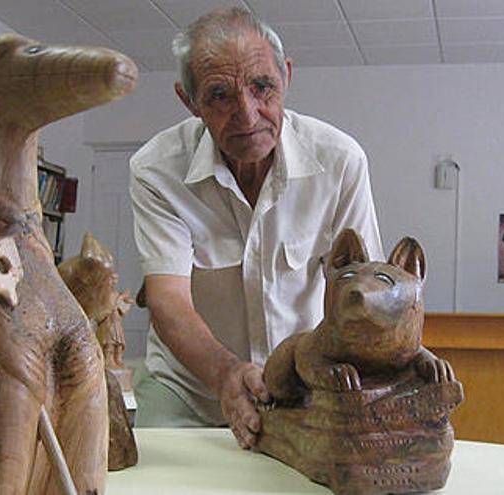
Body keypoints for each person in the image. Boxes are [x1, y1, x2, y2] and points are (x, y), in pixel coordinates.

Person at [129, 7, 382, 449]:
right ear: (189, 101)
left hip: (302, 390)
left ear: (285, 76)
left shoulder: (340, 162)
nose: (247, 115)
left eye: (262, 87)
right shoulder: (155, 170)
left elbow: (357, 293)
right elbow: (167, 299)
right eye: (220, 95)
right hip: (186, 391)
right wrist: (226, 375)